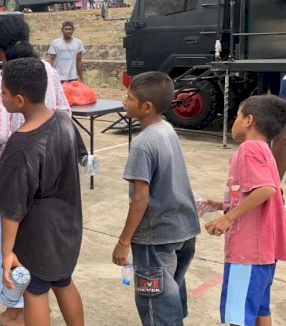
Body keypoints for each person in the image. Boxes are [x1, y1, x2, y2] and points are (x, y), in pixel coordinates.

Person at [0, 16, 72, 326]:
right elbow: (65, 113)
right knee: (45, 255)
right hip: (50, 173)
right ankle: (32, 305)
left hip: (10, 175)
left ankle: (14, 311)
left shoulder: (1, 79)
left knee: (7, 245)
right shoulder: (50, 71)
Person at [0, 57, 85, 326]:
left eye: (3, 93)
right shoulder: (64, 121)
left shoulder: (21, 145)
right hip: (68, 224)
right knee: (63, 281)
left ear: (19, 101)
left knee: (35, 291)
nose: (1, 98)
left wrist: (7, 252)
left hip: (38, 234)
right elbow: (79, 158)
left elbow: (11, 208)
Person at [112, 71, 200, 326]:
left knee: (156, 307)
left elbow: (140, 199)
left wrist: (123, 241)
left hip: (156, 238)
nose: (124, 101)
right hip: (184, 230)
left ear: (146, 107)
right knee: (171, 295)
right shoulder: (167, 129)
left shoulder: (142, 144)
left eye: (129, 98)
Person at [201, 95, 286, 326]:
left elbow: (266, 189)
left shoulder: (248, 149)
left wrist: (228, 218)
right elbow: (257, 192)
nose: (233, 121)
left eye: (237, 115)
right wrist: (221, 204)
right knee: (260, 309)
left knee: (239, 317)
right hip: (263, 253)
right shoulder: (264, 149)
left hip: (247, 253)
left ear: (249, 120)